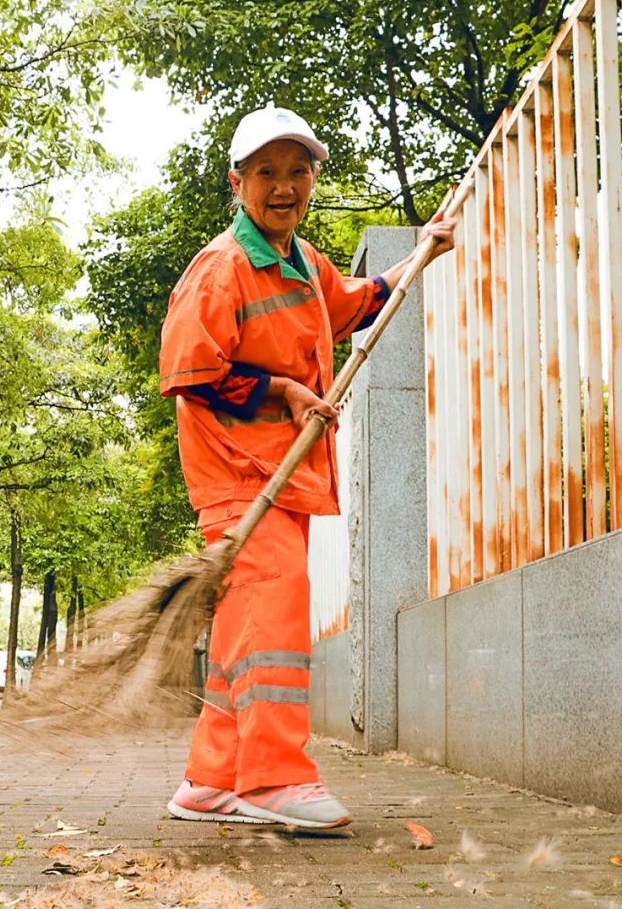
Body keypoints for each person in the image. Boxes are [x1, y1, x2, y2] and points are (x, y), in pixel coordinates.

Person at [160, 105, 454, 832]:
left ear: (314, 178)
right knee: (279, 607)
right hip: (237, 471)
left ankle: (210, 781)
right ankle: (273, 780)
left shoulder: (299, 259)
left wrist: (424, 252)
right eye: (267, 172)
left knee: (243, 629)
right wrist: (282, 390)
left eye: (298, 171)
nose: (284, 186)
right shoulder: (223, 268)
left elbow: (354, 305)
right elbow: (188, 371)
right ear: (238, 184)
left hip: (279, 474)